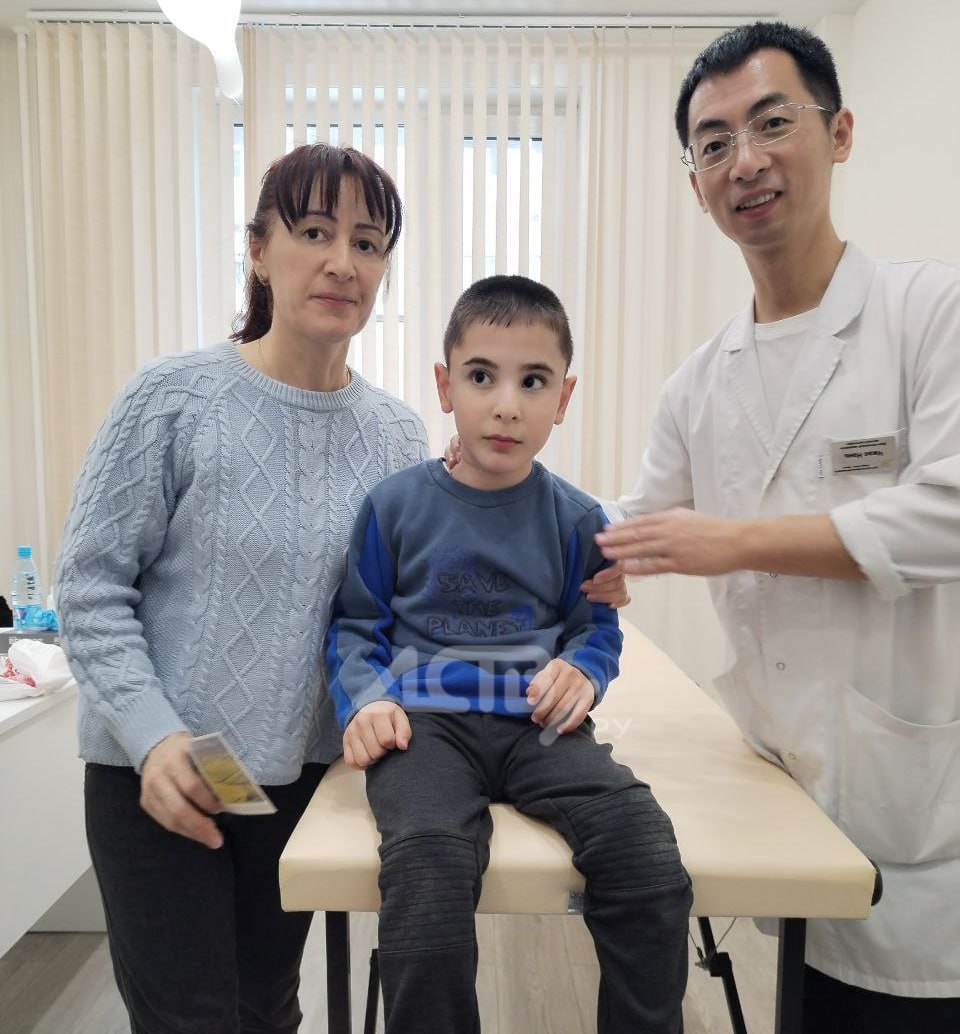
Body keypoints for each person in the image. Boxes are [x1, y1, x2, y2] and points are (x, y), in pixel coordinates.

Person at [593, 21, 960, 1033]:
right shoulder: (698, 382)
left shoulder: (928, 312)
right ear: (696, 183)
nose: (744, 161)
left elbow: (950, 514)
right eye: (713, 144)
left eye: (771, 123)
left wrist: (735, 541)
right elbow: (634, 523)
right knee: (807, 998)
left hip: (920, 810)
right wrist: (479, 517)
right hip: (783, 795)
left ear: (838, 133)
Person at [54, 143, 432, 1034]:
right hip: (165, 770)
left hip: (296, 779)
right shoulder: (173, 399)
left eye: (367, 242)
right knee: (190, 1020)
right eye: (315, 232)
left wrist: (569, 587)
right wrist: (153, 737)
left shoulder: (397, 437)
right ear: (259, 249)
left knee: (265, 1011)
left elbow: (406, 611)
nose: (342, 262)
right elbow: (90, 586)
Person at [327, 274, 693, 1034]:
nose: (506, 404)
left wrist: (583, 669)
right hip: (425, 730)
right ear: (445, 386)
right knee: (427, 871)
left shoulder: (578, 519)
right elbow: (356, 627)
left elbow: (596, 628)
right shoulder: (394, 507)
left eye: (533, 381)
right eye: (481, 376)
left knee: (647, 857)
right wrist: (366, 699)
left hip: (541, 728)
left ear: (564, 398)